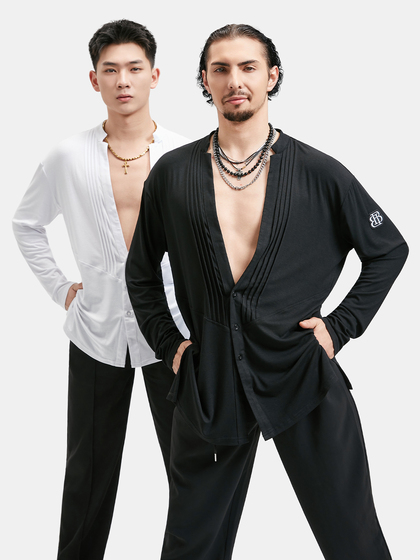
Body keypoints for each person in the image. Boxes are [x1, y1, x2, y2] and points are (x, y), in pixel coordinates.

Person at [125, 23, 409, 560]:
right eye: (221, 69)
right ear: (205, 80)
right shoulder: (171, 174)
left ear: (272, 76)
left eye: (248, 67)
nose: (235, 80)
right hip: (209, 384)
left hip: (302, 372)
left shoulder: (321, 173)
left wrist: (339, 328)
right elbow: (140, 274)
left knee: (354, 538)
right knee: (191, 545)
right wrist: (170, 346)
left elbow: (388, 249)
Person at [12, 19, 191, 560]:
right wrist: (60, 288)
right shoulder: (67, 156)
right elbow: (26, 224)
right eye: (110, 70)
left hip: (177, 333)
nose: (123, 81)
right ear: (94, 80)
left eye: (135, 68)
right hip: (95, 329)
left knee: (190, 467)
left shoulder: (186, 155)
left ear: (155, 75)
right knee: (88, 470)